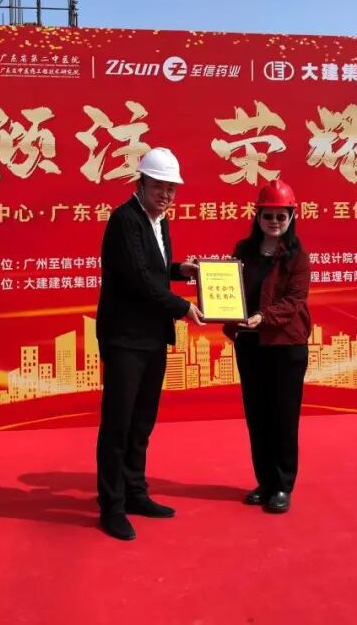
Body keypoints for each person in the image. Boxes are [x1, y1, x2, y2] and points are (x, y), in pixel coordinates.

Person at [95, 147, 204, 541]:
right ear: (141, 183)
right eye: (159, 186)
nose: (166, 194)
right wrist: (182, 307)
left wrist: (181, 270)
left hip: (152, 336)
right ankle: (111, 505)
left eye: (172, 188)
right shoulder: (125, 220)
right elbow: (138, 279)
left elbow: (154, 270)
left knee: (142, 421)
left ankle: (135, 493)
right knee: (119, 423)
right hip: (125, 339)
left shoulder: (160, 221)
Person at [222, 180, 311, 514]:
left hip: (286, 346)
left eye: (281, 216)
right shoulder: (243, 251)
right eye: (268, 215)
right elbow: (229, 288)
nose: (274, 222)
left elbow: (294, 300)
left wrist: (263, 317)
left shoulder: (298, 257)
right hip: (251, 345)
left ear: (291, 217)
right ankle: (265, 482)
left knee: (283, 418)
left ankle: (283, 485)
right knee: (257, 416)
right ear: (257, 216)